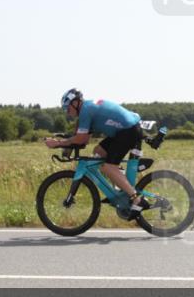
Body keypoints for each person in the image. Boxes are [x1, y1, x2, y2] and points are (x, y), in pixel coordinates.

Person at [44, 89, 150, 220]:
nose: (67, 112)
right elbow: (84, 140)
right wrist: (66, 142)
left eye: (67, 108)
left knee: (108, 167)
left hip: (128, 131)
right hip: (124, 130)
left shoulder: (85, 111)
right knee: (98, 151)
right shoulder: (87, 108)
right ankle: (120, 186)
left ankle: (137, 199)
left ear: (75, 103)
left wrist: (58, 143)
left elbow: (80, 139)